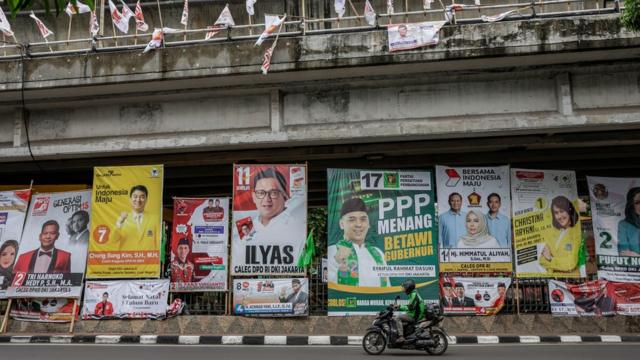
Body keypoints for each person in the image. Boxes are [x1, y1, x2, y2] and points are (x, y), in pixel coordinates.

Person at [328, 198, 390, 287]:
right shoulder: (333, 251)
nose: (358, 224)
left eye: (363, 219)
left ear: (368, 224)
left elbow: (387, 287)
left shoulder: (378, 253)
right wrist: (335, 261)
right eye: (352, 220)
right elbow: (330, 287)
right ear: (341, 224)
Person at [539, 196, 582, 273]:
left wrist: (550, 258)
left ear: (569, 210)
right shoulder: (553, 233)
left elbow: (570, 263)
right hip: (552, 280)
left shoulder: (576, 233)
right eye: (556, 213)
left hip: (571, 281)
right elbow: (542, 260)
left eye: (562, 211)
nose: (559, 216)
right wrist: (559, 262)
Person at [113, 185, 160, 252]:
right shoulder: (122, 219)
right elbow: (113, 240)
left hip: (147, 261)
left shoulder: (155, 219)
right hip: (127, 260)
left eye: (142, 197)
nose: (138, 200)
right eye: (135, 196)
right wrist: (120, 222)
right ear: (130, 199)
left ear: (146, 199)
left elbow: (158, 244)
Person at [393, 279, 426, 344]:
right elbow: (410, 306)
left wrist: (399, 307)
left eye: (404, 287)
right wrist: (399, 307)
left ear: (408, 287)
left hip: (415, 315)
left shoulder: (414, 295)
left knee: (398, 317)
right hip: (414, 313)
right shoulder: (413, 294)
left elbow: (410, 307)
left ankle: (401, 337)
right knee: (398, 317)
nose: (403, 288)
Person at [617, 187, 640, 256]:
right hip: (633, 266)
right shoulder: (624, 225)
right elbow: (623, 253)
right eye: (637, 202)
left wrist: (636, 255)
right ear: (631, 204)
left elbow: (631, 255)